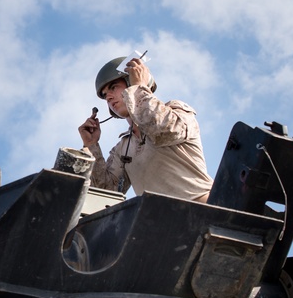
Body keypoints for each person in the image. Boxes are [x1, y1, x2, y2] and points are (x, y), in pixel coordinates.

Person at [78, 55, 213, 202]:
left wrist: (138, 90)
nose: (109, 97)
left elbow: (163, 130)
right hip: (162, 222)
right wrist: (91, 146)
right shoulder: (123, 148)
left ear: (132, 82)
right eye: (105, 95)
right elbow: (106, 192)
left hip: (208, 211)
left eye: (113, 87)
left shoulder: (177, 111)